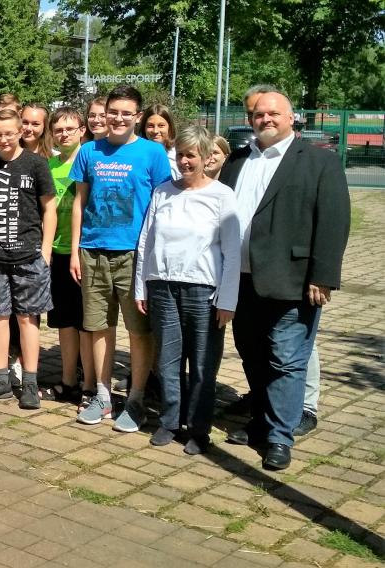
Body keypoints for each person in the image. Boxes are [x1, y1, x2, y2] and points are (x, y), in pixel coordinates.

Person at [219, 90, 349, 471]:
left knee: (288, 360)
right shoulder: (238, 160)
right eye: (259, 114)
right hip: (240, 280)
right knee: (253, 355)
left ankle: (279, 436)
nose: (266, 119)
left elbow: (333, 221)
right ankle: (260, 422)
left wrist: (323, 276)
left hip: (293, 280)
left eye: (274, 113)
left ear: (292, 119)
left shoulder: (319, 162)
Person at [70, 85, 172, 430]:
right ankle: (102, 394)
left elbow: (162, 206)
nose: (118, 118)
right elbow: (80, 203)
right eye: (113, 111)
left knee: (139, 331)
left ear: (137, 117)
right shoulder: (89, 152)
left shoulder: (153, 154)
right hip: (92, 251)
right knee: (99, 327)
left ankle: (136, 399)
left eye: (126, 113)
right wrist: (75, 250)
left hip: (134, 256)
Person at [135, 124, 241, 455]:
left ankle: (198, 429)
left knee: (202, 365)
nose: (184, 162)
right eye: (180, 155)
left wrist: (227, 299)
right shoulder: (163, 191)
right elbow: (146, 242)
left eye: (191, 155)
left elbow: (233, 252)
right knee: (167, 361)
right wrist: (142, 286)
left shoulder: (222, 196)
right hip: (163, 287)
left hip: (204, 293)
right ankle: (169, 421)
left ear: (207, 157)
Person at [0, 110, 57, 409]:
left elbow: (49, 209)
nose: (4, 139)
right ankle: (0, 379)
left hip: (28, 256)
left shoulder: (36, 164)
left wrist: (45, 252)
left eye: (9, 133)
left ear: (20, 131)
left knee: (27, 318)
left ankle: (30, 381)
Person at [45, 106, 93, 404]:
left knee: (85, 322)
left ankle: (89, 385)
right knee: (63, 322)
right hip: (56, 251)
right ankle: (67, 380)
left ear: (81, 131)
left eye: (69, 129)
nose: (63, 134)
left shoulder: (89, 161)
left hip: (83, 252)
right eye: (58, 130)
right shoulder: (49, 165)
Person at [141, 103, 180, 179]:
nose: (155, 131)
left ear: (170, 127)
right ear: (144, 128)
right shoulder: (137, 152)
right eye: (150, 126)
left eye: (161, 125)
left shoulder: (178, 154)